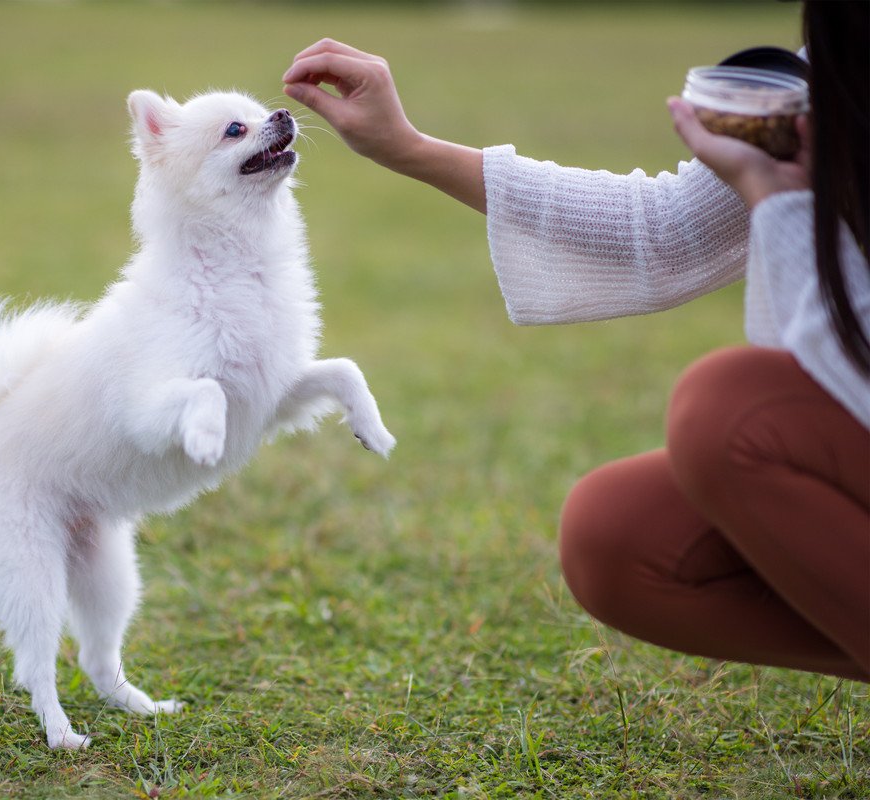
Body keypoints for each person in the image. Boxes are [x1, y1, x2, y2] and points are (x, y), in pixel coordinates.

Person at [282, 0, 869, 682]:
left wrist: (784, 203)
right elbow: (668, 230)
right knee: (619, 536)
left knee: (730, 410)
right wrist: (408, 147)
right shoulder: (840, 63)